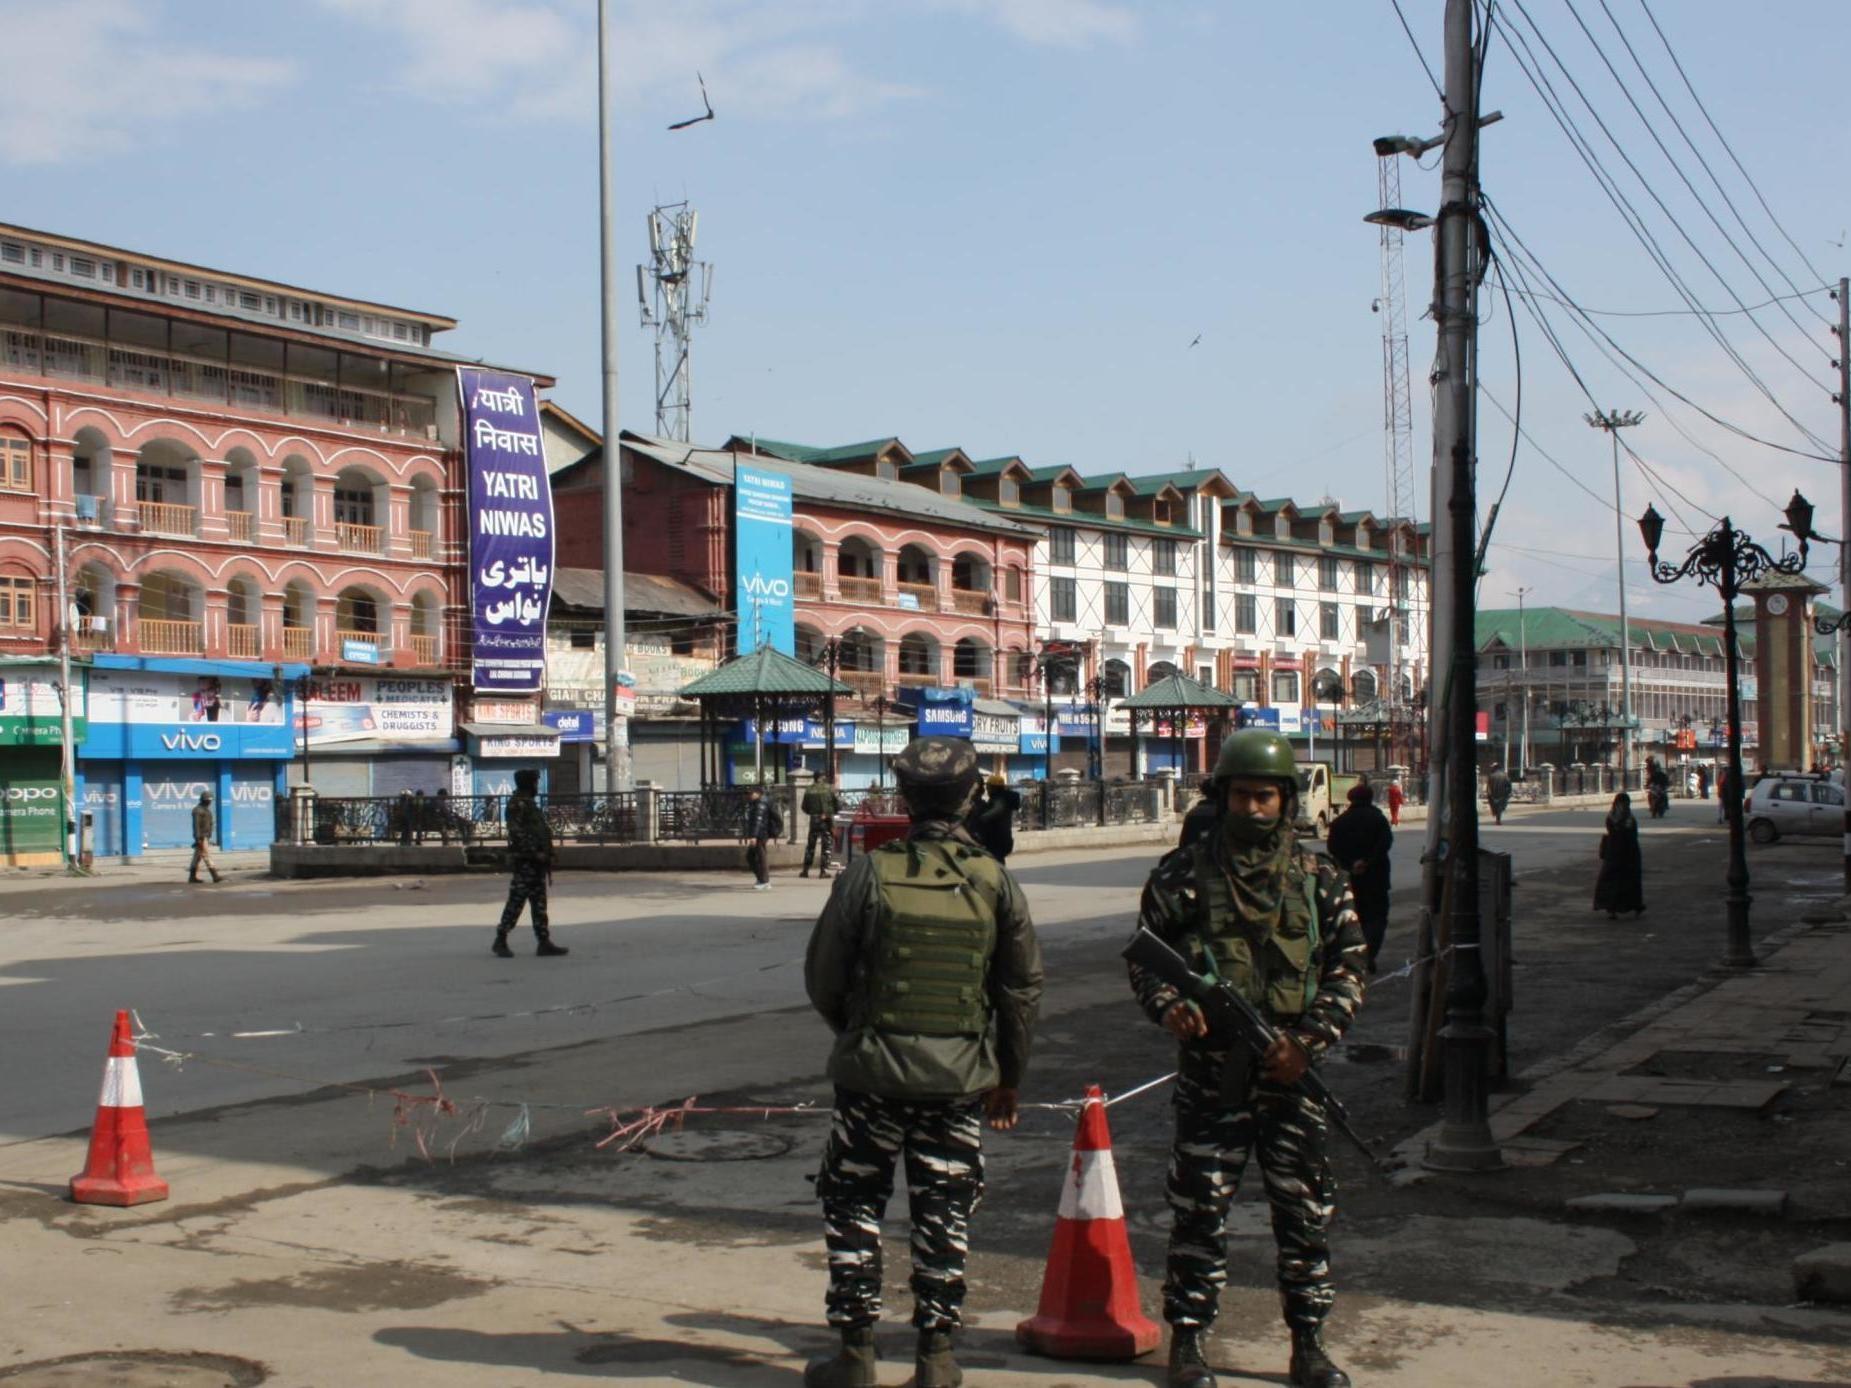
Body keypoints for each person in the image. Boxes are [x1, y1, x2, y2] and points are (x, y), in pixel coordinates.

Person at [1128, 729, 1367, 1388]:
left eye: (1265, 796)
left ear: (1286, 800)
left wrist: (1309, 1041)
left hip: (1290, 1075)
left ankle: (1308, 1344)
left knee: (1303, 1214)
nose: (1254, 809)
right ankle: (1188, 1343)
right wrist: (1169, 1005)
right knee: (1199, 1212)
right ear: (1222, 796)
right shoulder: (1181, 874)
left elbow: (1348, 968)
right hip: (1211, 1076)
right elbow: (1145, 960)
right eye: (1242, 795)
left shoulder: (1318, 877)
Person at [803, 735, 1043, 1388]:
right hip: (958, 1081)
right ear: (970, 797)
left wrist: (861, 1035)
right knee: (944, 1216)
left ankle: (854, 1356)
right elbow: (1019, 991)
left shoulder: (866, 874)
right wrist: (1007, 1078)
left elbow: (823, 977)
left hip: (870, 1078)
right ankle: (936, 1358)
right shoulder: (994, 881)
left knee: (853, 1209)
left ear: (904, 799)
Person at [493, 769, 567, 958]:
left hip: (537, 863)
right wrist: (535, 853)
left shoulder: (528, 804)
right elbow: (517, 833)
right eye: (535, 782)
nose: (537, 786)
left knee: (539, 903)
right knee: (516, 902)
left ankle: (543, 942)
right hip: (526, 861)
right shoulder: (517, 805)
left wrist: (547, 853)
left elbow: (538, 830)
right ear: (528, 784)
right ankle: (500, 939)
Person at [1326, 782, 1392, 974]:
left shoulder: (1340, 822)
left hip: (1349, 878)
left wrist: (1351, 863)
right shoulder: (1378, 819)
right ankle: (1369, 954)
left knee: (1355, 917)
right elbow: (1385, 843)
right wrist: (1367, 862)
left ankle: (1354, 956)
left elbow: (1333, 848)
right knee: (1376, 919)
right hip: (1376, 878)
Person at [1593, 792, 1644, 919]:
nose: (1623, 806)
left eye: (1625, 803)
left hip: (1628, 853)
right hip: (1615, 853)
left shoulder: (1629, 818)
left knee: (1629, 881)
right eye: (1622, 803)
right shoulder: (1613, 817)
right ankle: (1612, 908)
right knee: (1611, 880)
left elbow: (1632, 834)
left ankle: (1635, 906)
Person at [965, 772, 1022, 862]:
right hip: (1002, 839)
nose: (987, 789)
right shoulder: (1000, 799)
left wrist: (979, 817)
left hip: (997, 841)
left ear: (993, 788)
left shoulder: (1000, 801)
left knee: (996, 864)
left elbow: (988, 816)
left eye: (988, 787)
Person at [801, 773, 841, 879]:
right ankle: (823, 871)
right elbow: (838, 804)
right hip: (826, 820)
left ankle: (805, 870)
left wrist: (813, 813)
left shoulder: (809, 790)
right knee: (826, 845)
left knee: (810, 845)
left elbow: (804, 807)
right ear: (821, 778)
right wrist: (830, 813)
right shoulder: (829, 789)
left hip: (814, 819)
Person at [744, 785, 784, 891]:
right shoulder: (757, 802)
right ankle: (761, 878)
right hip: (761, 834)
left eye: (751, 793)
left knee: (760, 857)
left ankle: (765, 881)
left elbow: (758, 821)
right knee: (752, 856)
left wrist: (753, 836)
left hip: (760, 834)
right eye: (748, 793)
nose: (749, 795)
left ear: (758, 793)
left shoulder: (760, 804)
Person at [187, 791, 223, 884]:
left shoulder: (206, 810)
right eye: (208, 800)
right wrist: (198, 838)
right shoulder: (198, 810)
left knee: (197, 858)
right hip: (201, 837)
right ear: (204, 800)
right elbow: (196, 825)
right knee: (206, 856)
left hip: (205, 837)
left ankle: (192, 877)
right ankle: (215, 876)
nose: (210, 802)